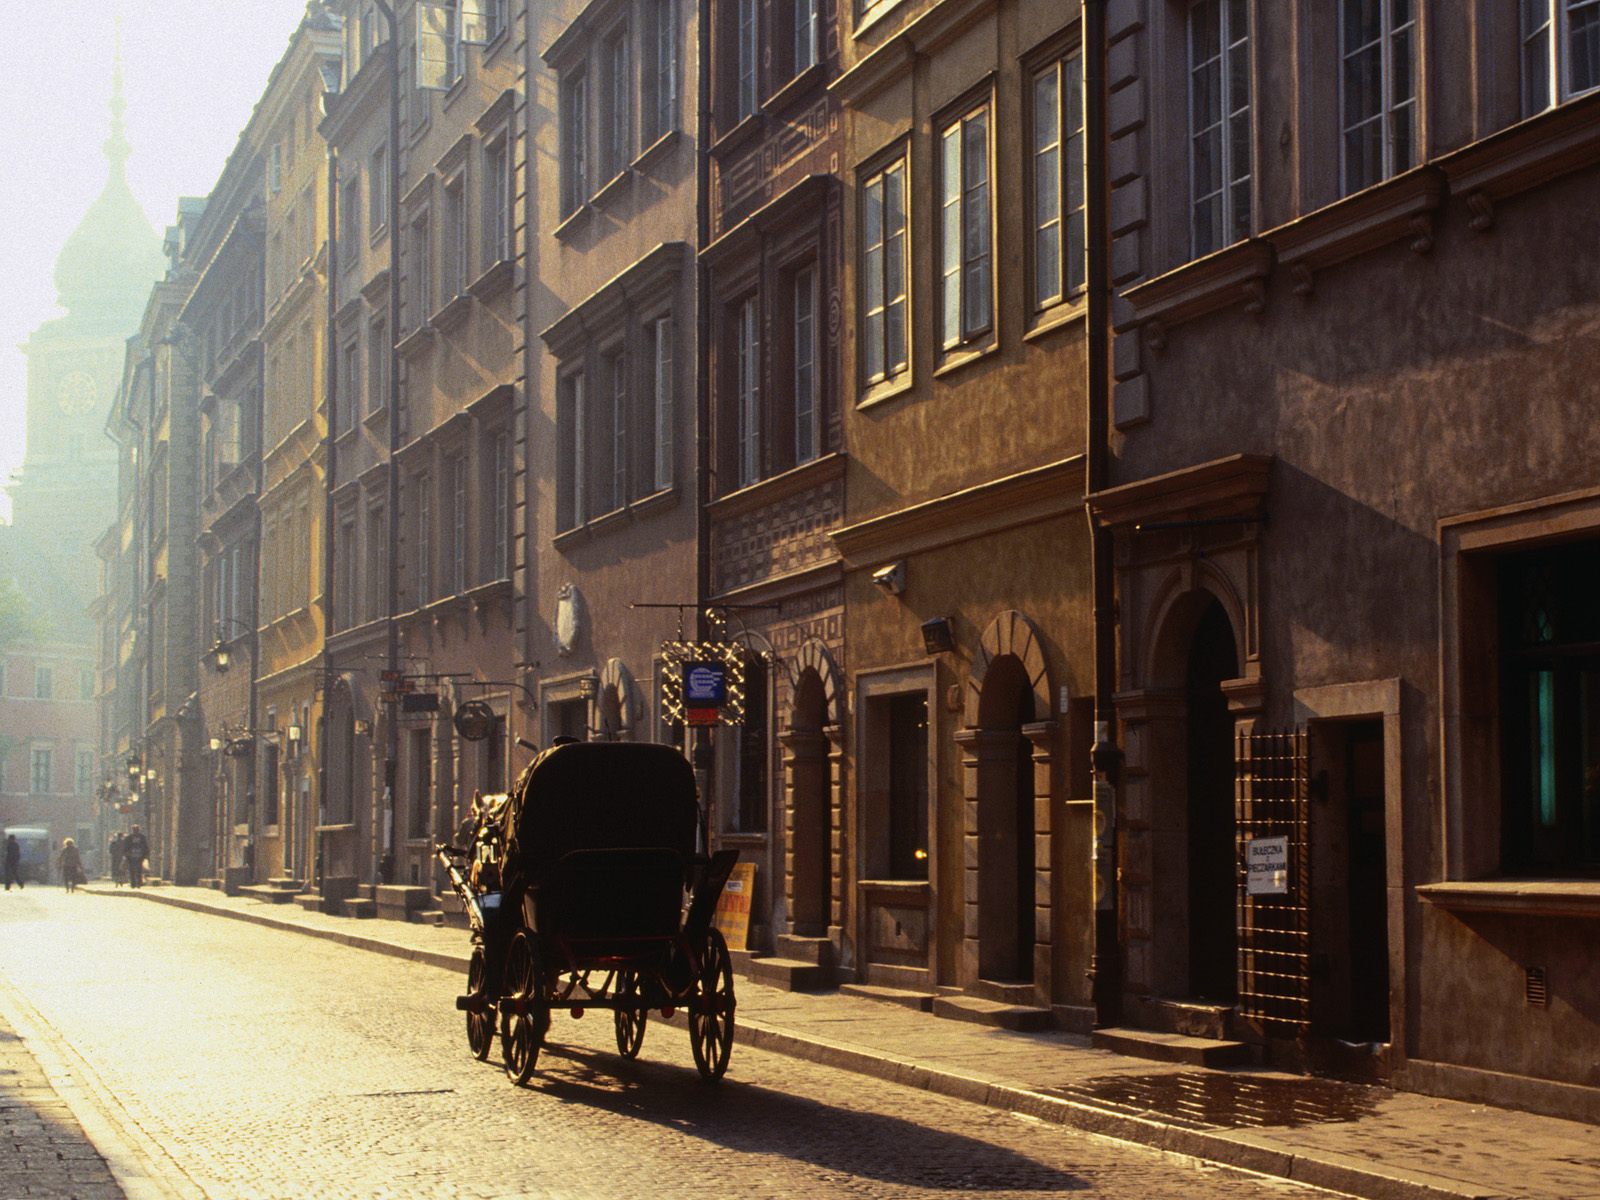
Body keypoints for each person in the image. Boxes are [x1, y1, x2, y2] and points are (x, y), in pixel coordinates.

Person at [123, 825, 149, 889]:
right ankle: (133, 883)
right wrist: (126, 854)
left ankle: (139, 883)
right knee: (132, 870)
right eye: (134, 829)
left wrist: (145, 855)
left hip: (140, 856)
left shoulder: (142, 837)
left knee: (139, 870)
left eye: (136, 829)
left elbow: (145, 846)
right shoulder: (129, 838)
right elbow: (125, 847)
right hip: (131, 857)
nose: (135, 831)